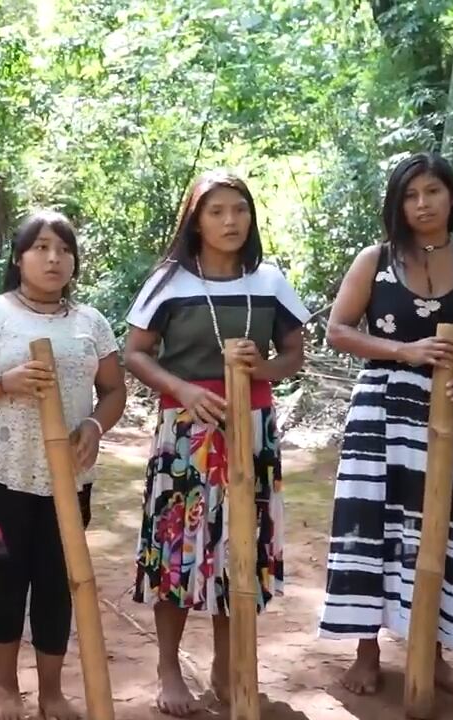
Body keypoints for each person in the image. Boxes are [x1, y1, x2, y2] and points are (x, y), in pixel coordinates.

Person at [318, 152, 453, 695]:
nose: (422, 204)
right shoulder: (375, 259)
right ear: (397, 205)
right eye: (410, 195)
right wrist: (402, 351)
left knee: (442, 528)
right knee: (374, 523)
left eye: (432, 191)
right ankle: (366, 652)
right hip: (383, 409)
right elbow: (337, 331)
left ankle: (432, 652)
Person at [123, 170, 309, 716]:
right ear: (195, 220)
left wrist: (264, 367)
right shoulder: (168, 281)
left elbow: (295, 354)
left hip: (252, 432)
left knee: (240, 552)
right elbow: (135, 353)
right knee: (177, 552)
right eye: (216, 211)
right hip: (186, 434)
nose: (230, 221)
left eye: (240, 210)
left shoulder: (270, 280)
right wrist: (181, 390)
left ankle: (226, 667)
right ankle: (168, 667)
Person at [0, 210, 126, 720]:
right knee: (9, 574)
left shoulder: (92, 322)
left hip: (70, 477)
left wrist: (93, 426)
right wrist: (5, 383)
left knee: (56, 579)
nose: (53, 258)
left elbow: (113, 391)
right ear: (19, 258)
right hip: (5, 474)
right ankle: (4, 687)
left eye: (64, 249)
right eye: (41, 247)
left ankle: (51, 692)